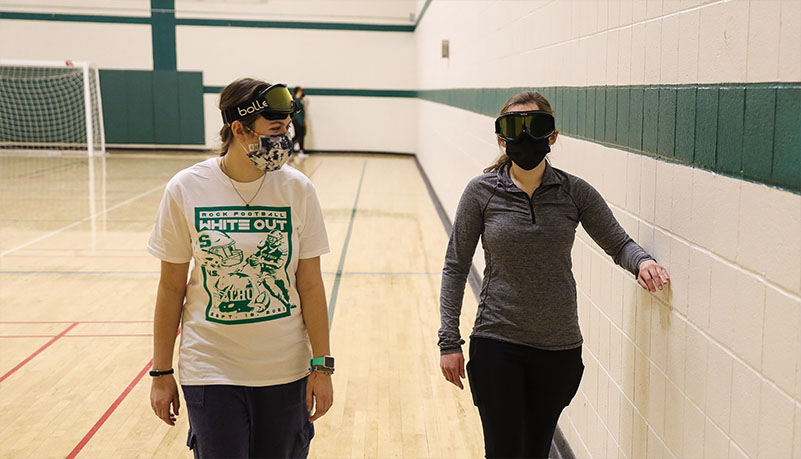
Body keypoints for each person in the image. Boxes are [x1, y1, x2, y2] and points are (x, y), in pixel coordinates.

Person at [438, 91, 670, 459]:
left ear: (553, 136)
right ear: (501, 138)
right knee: (503, 451)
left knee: (534, 451)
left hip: (558, 349)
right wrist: (449, 341)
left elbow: (618, 242)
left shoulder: (573, 192)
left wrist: (641, 262)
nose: (526, 138)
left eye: (537, 127)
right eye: (515, 128)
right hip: (498, 342)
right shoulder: (480, 193)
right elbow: (456, 266)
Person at [148, 77, 335, 459]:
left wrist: (323, 366)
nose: (284, 139)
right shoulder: (186, 189)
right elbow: (171, 288)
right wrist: (161, 373)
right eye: (275, 130)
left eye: (287, 129)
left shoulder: (298, 190)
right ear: (239, 129)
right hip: (210, 369)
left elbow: (311, 285)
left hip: (285, 370)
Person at [291, 87, 308, 157]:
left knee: (300, 135)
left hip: (301, 120)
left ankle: (291, 148)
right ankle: (301, 151)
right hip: (297, 120)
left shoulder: (300, 100)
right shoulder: (295, 100)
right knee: (300, 135)